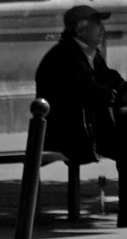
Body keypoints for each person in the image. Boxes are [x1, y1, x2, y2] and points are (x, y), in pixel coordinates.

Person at [36, 4, 127, 225]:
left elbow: (110, 81)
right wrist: (117, 96)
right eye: (97, 24)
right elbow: (89, 90)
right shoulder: (66, 55)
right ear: (80, 29)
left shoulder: (88, 53)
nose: (102, 29)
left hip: (88, 130)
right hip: (70, 134)